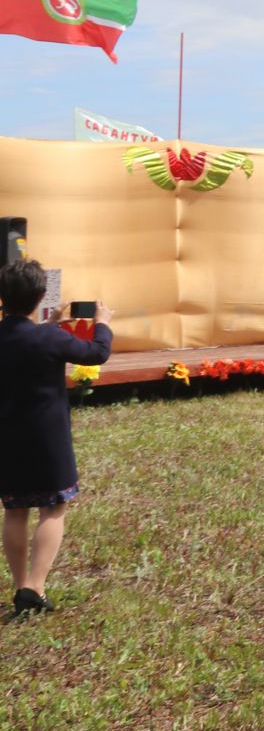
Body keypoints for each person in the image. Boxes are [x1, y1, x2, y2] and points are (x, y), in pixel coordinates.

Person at [1, 261, 115, 618]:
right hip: (47, 437)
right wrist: (103, 323)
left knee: (15, 509)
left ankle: (20, 586)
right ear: (39, 297)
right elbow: (97, 353)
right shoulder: (51, 338)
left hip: (7, 435)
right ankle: (35, 587)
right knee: (54, 507)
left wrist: (49, 328)